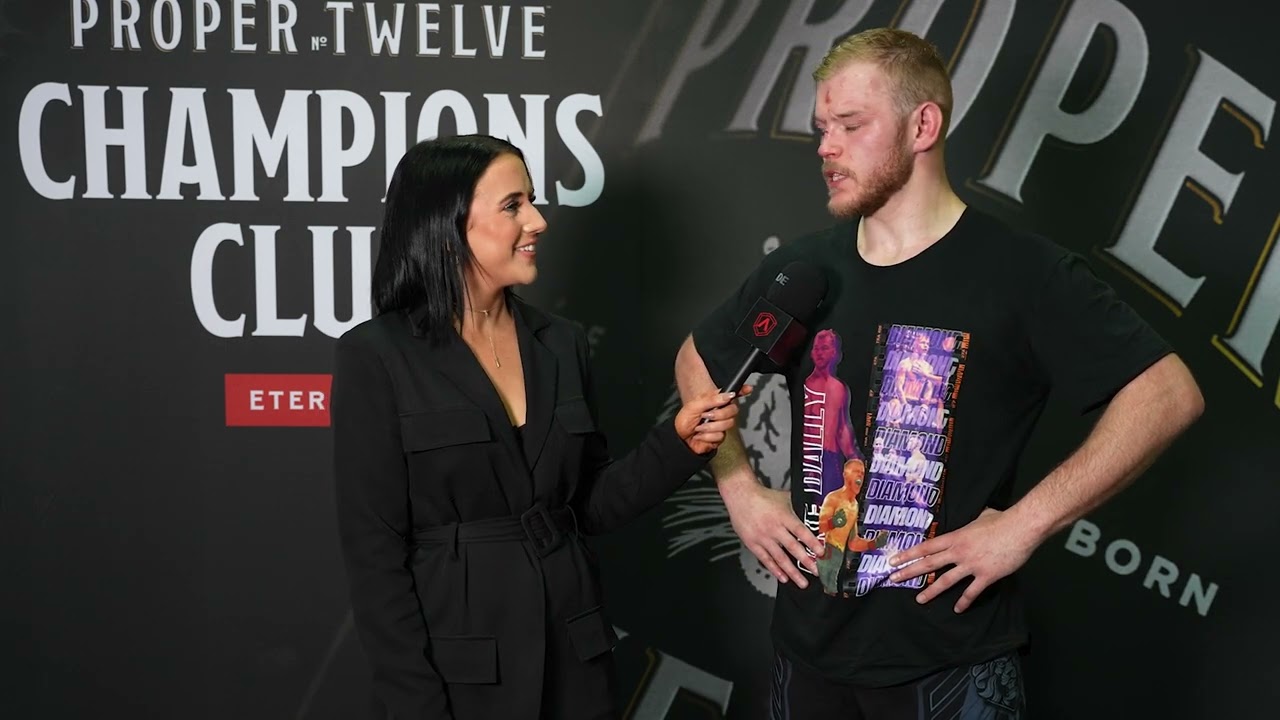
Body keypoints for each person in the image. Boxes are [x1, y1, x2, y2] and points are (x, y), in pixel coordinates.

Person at [674, 28, 1203, 718]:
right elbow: (697, 359)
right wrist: (741, 490)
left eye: (851, 125)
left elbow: (1167, 393)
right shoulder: (804, 270)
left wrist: (1024, 524)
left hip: (949, 667)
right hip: (805, 658)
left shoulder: (1020, 271)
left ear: (923, 126)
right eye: (823, 128)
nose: (826, 147)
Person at [332, 134, 743, 720]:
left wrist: (679, 445)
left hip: (578, 668)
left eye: (533, 200)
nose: (539, 221)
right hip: (461, 681)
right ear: (448, 226)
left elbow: (588, 506)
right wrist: (415, 706)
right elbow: (375, 559)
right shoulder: (376, 356)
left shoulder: (562, 342)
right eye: (513, 205)